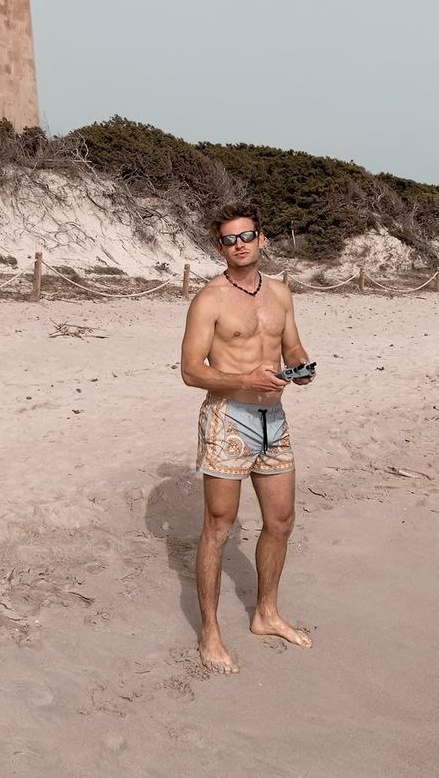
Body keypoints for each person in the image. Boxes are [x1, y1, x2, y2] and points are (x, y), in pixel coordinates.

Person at [180, 202, 314, 674]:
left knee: (281, 521)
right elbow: (191, 371)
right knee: (219, 526)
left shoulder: (280, 292)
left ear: (261, 239)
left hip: (273, 419)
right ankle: (210, 632)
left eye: (246, 236)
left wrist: (300, 367)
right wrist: (243, 381)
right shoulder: (209, 299)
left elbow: (290, 344)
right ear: (219, 247)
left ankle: (266, 613)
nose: (238, 245)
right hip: (228, 419)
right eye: (228, 240)